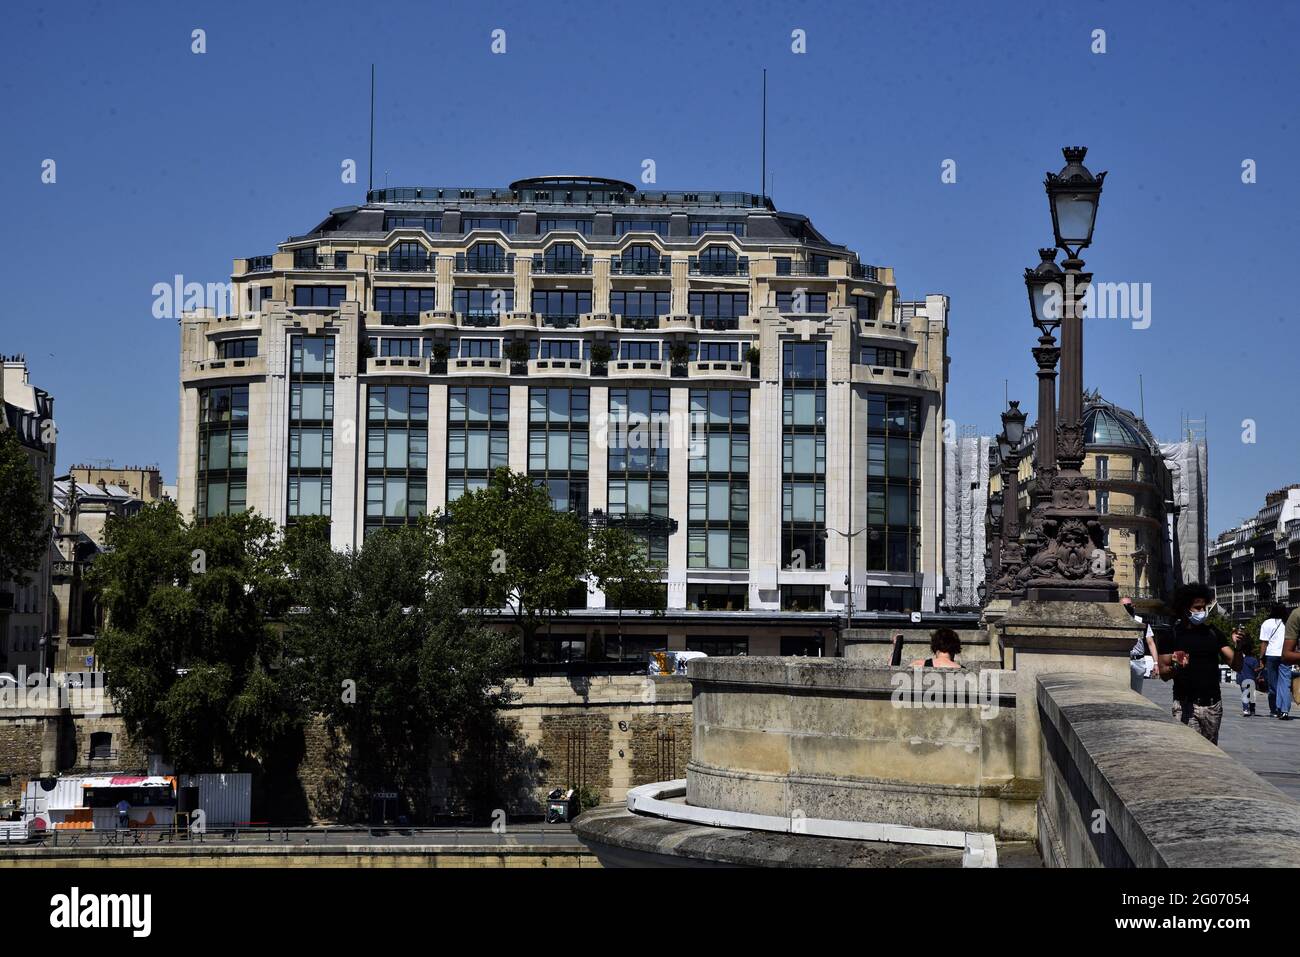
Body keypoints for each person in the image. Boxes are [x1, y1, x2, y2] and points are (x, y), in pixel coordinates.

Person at [1156, 583, 1242, 745]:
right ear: (1184, 608)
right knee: (1191, 750)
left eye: (1204, 607)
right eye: (1197, 608)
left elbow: (1236, 665)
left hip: (1213, 705)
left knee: (1211, 752)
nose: (1202, 612)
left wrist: (1238, 648)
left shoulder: (1213, 633)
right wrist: (1178, 666)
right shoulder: (1172, 636)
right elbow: (1164, 674)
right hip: (1185, 704)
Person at [1259, 604, 1292, 719]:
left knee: (1273, 684)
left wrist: (1261, 658)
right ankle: (1284, 710)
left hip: (1271, 655)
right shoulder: (1288, 623)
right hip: (1286, 655)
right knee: (1285, 684)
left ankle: (1275, 709)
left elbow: (1264, 643)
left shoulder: (1266, 623)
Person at [1122, 596, 1157, 690]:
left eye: (1128, 605)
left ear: (1133, 606)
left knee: (1136, 691)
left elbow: (1151, 643)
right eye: (1123, 606)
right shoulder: (1118, 622)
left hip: (1138, 661)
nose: (1126, 608)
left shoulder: (1142, 622)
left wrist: (1156, 663)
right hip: (1123, 659)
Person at [1235, 629, 1259, 717]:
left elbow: (1237, 668)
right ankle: (1252, 710)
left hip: (1243, 680)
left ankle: (1245, 709)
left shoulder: (1241, 660)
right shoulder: (1254, 660)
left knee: (1245, 695)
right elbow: (1256, 669)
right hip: (1251, 679)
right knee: (1252, 696)